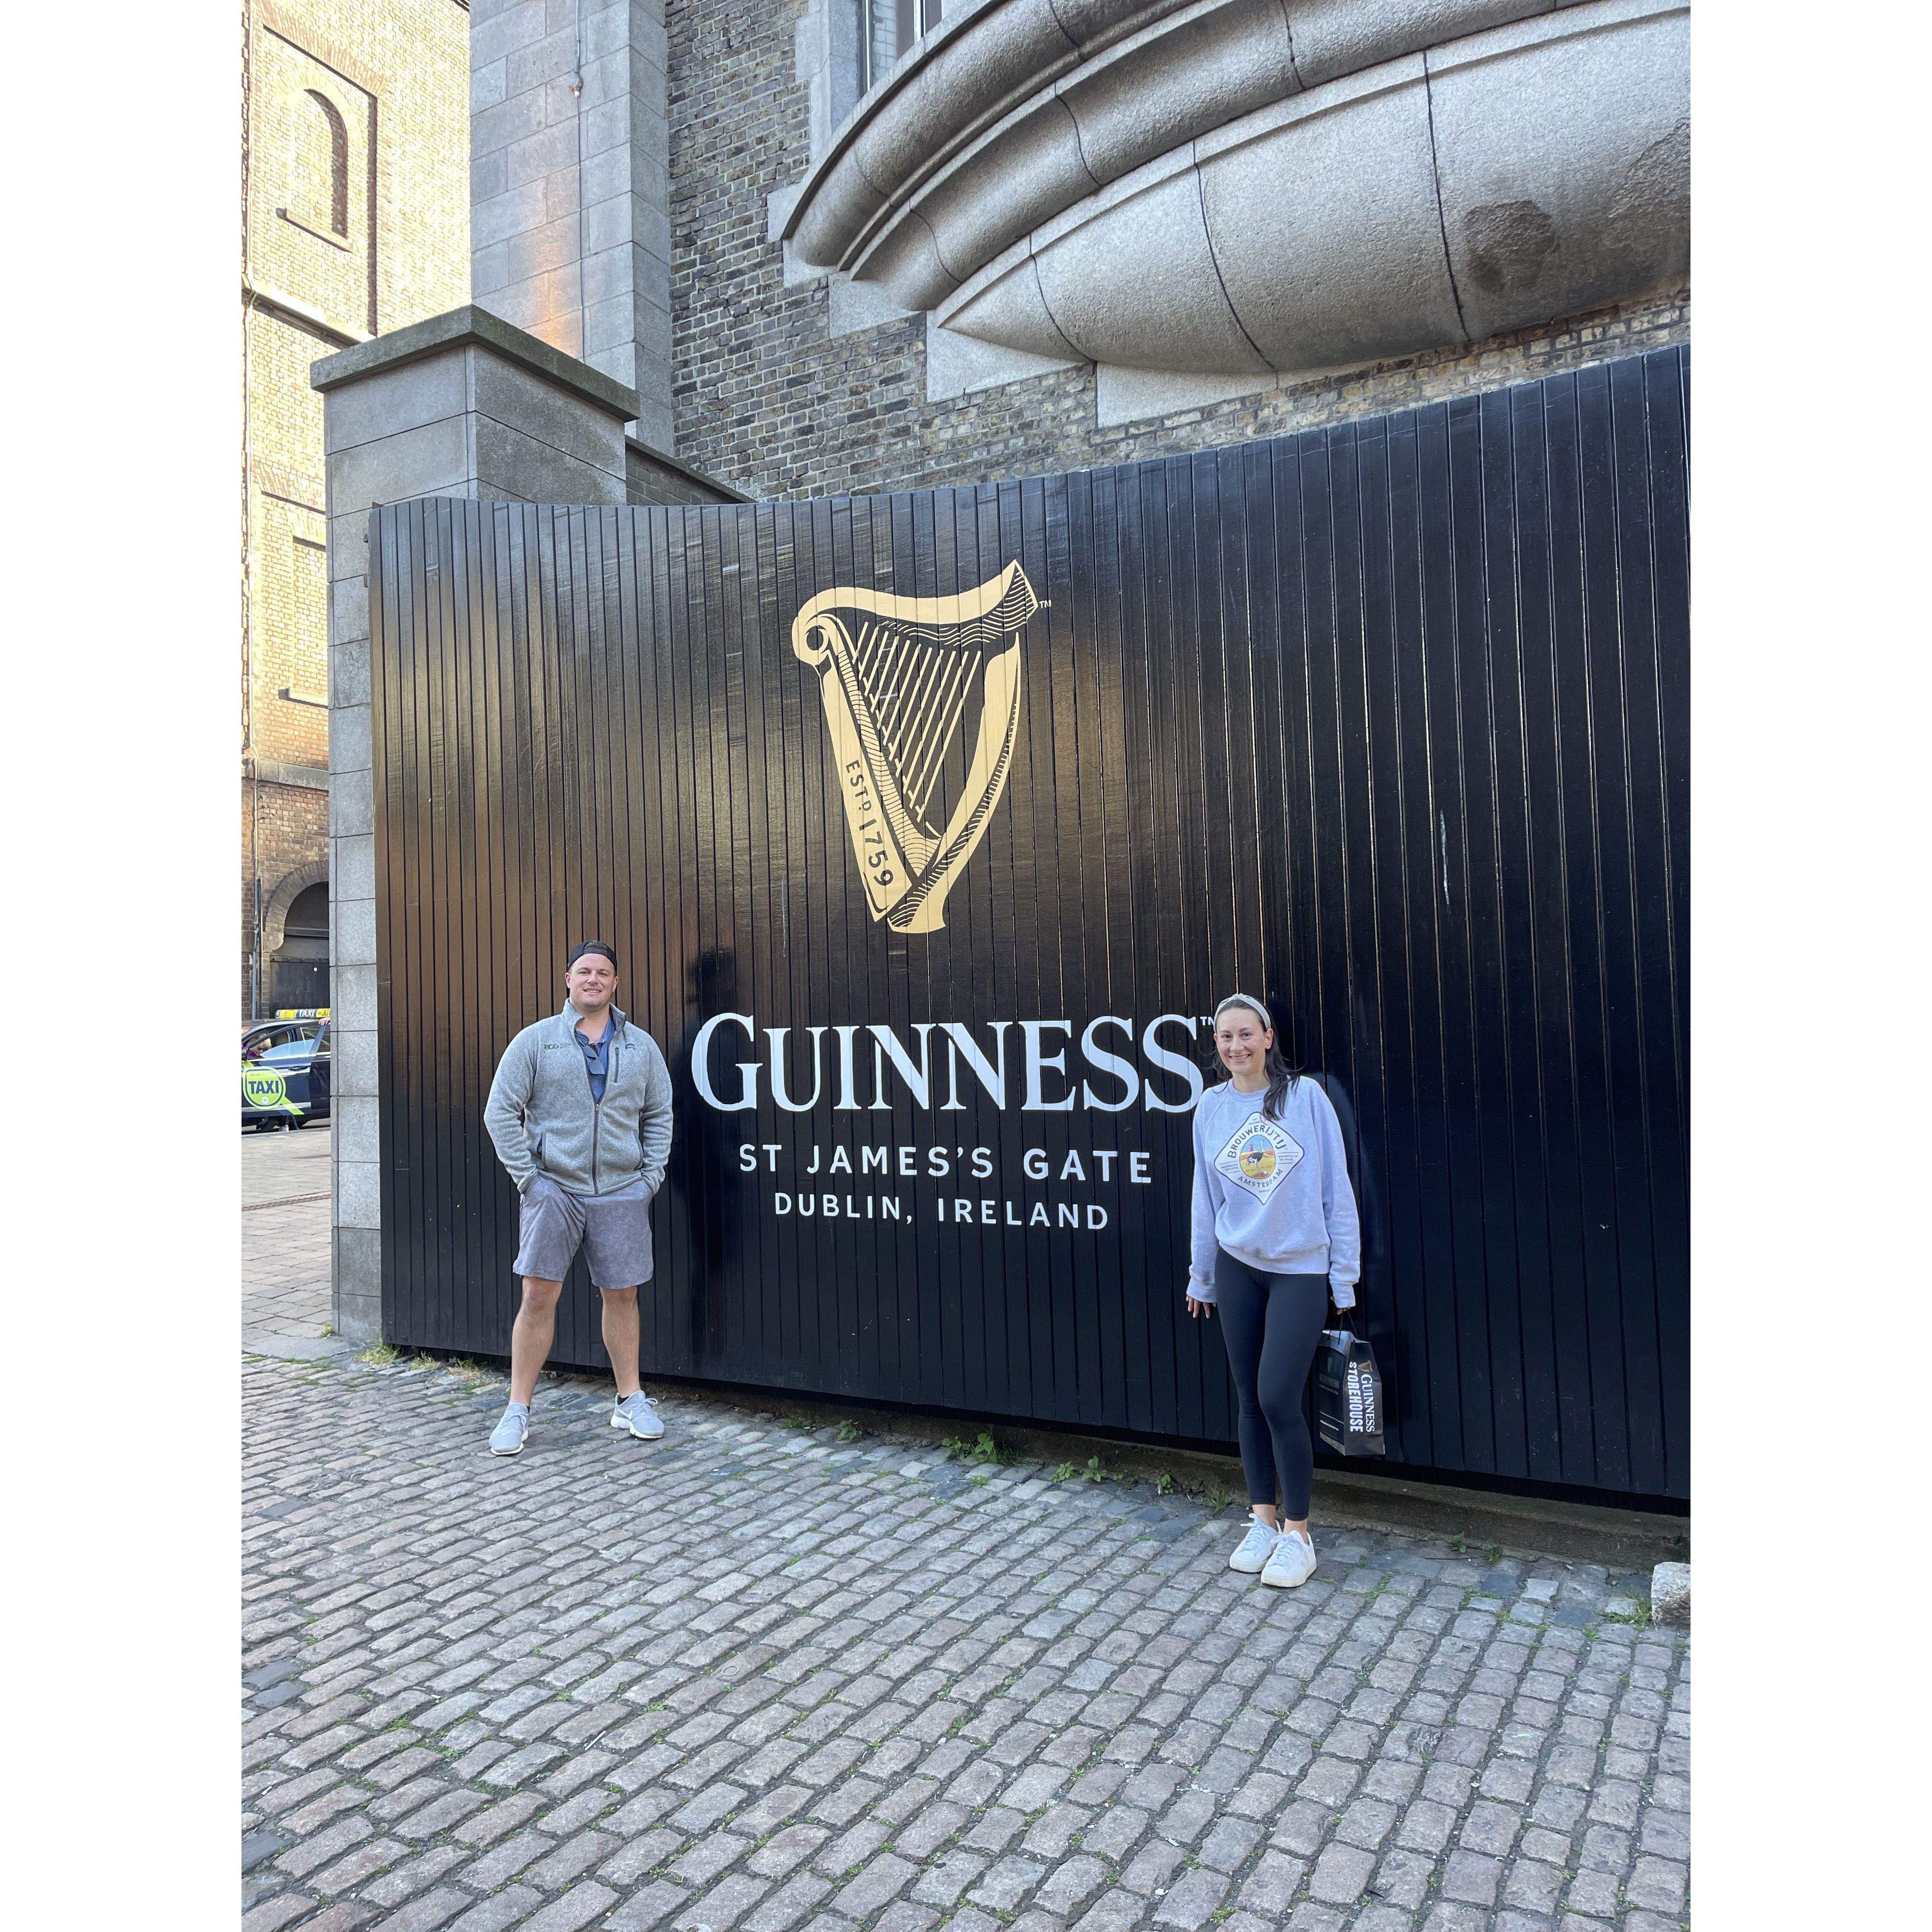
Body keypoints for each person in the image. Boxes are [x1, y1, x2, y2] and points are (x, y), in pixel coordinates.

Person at [1187, 993, 1361, 1587]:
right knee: (1248, 1396)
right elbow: (1204, 1201)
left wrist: (1344, 1277)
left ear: (1268, 1037)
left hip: (1299, 1270)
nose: (1236, 1046)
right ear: (1217, 1046)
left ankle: (1299, 1535)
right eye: (1225, 1037)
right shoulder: (1210, 1108)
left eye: (1246, 1034)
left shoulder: (1304, 1097)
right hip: (1238, 1267)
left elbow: (1336, 1187)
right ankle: (1262, 1520)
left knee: (1278, 1396)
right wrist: (1202, 1275)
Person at [481, 941, 675, 1456]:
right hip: (555, 1190)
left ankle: (629, 1399)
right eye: (585, 971)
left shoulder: (641, 1047)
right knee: (538, 1297)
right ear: (568, 979)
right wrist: (530, 1179)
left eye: (604, 973)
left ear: (615, 984)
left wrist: (648, 1180)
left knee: (623, 1294)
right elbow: (500, 1111)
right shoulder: (536, 1041)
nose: (594, 979)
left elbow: (659, 1115)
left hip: (620, 1192)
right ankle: (518, 1410)